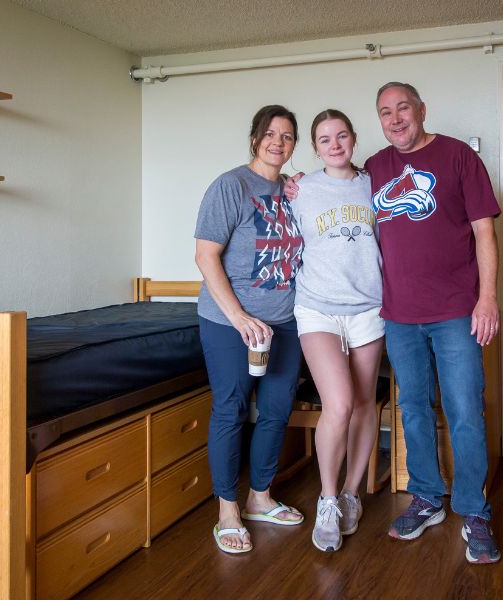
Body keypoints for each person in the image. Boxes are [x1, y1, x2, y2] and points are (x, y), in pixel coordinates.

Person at [367, 82, 502, 564]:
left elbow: (485, 231)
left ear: (422, 110)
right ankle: (427, 496)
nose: (396, 118)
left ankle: (473, 510)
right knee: (413, 408)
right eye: (386, 112)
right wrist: (298, 180)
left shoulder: (458, 157)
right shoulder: (375, 168)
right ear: (379, 120)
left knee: (465, 409)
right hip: (399, 315)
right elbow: (335, 196)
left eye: (403, 107)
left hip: (455, 311)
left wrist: (487, 299)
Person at [194, 104, 305, 555]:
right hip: (228, 322)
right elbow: (205, 257)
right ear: (255, 138)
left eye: (288, 136)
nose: (278, 142)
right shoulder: (230, 185)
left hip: (285, 322)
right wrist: (240, 318)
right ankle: (227, 509)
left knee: (277, 409)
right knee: (232, 408)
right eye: (270, 134)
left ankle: (259, 498)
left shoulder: (295, 191)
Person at [290, 109, 384, 552]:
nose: (334, 144)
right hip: (318, 309)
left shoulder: (373, 183)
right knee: (340, 403)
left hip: (368, 307)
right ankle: (327, 498)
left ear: (353, 138)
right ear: (314, 147)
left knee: (366, 402)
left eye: (341, 135)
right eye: (324, 139)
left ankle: (351, 492)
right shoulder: (301, 188)